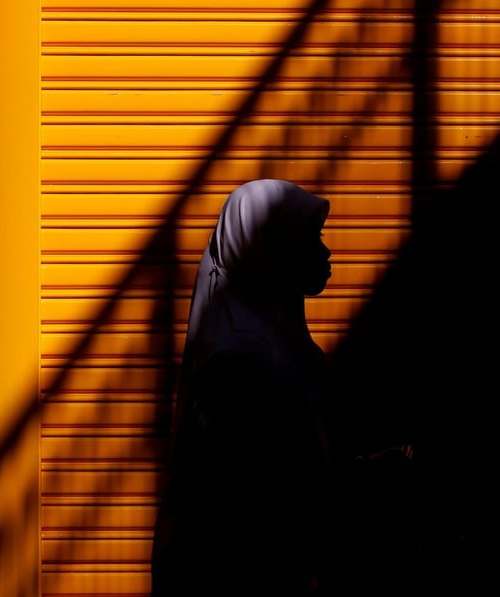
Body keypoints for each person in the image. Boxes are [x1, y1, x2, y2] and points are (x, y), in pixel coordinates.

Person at [152, 179, 336, 596]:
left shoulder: (274, 339)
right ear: (270, 249)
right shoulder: (243, 359)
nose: (326, 252)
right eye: (311, 238)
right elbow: (248, 503)